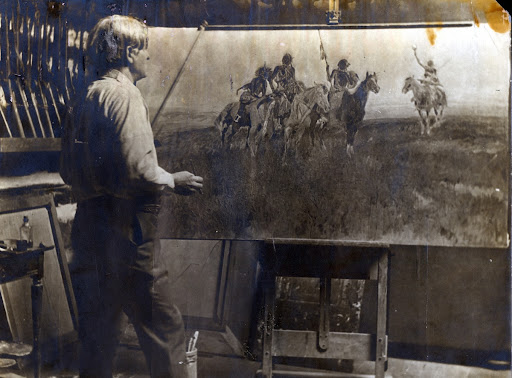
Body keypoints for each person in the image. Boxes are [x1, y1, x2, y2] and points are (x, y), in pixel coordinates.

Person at [60, 15, 203, 378]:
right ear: (128, 51)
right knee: (164, 333)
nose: (149, 58)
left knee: (97, 337)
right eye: (145, 50)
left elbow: (66, 168)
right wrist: (173, 179)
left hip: (89, 228)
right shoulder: (126, 96)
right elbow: (139, 170)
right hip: (127, 234)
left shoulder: (84, 95)